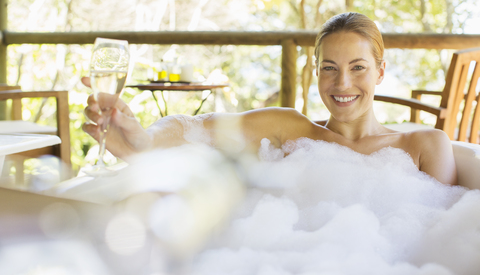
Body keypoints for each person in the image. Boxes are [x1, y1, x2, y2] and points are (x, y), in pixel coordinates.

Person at [82, 12, 457, 185]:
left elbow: (437, 237)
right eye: (329, 68)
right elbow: (192, 126)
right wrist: (144, 143)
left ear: (380, 72)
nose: (342, 83)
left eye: (358, 67)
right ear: (315, 71)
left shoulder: (423, 145)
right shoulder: (289, 129)